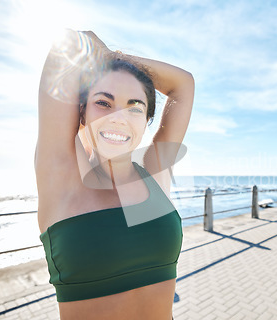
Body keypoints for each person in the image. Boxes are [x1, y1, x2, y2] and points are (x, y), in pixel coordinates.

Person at [35, 29, 194, 320]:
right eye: (104, 103)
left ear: (147, 120)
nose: (118, 117)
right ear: (81, 113)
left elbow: (183, 84)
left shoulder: (156, 175)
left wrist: (116, 60)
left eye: (135, 107)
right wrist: (107, 59)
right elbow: (68, 44)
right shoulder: (62, 181)